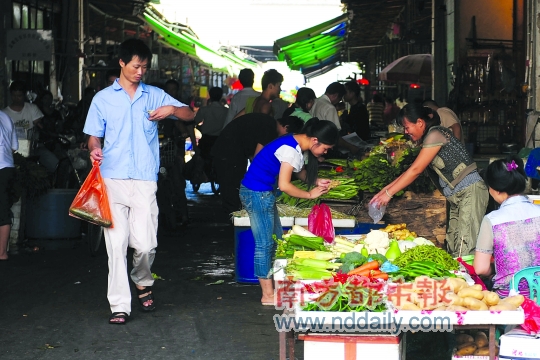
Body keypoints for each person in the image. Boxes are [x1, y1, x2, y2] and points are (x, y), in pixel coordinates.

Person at [83, 38, 194, 325]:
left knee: (145, 245)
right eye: (136, 66)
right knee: (116, 245)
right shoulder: (103, 99)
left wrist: (171, 110)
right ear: (122, 63)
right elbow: (94, 135)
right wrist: (94, 147)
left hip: (145, 179)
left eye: (144, 66)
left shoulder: (155, 95)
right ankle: (119, 305)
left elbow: (190, 114)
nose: (140, 71)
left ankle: (142, 279)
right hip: (112, 178)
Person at [239, 118, 339, 305]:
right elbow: (284, 185)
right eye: (326, 148)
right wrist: (310, 194)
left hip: (261, 193)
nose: (325, 152)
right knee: (265, 244)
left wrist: (316, 181)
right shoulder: (291, 150)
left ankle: (277, 288)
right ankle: (267, 295)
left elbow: (297, 172)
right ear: (315, 140)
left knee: (276, 239)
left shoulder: (294, 142)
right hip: (256, 193)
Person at [370, 103, 488, 257]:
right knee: (453, 247)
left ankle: (470, 281)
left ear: (420, 123)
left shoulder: (435, 134)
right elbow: (411, 169)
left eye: (407, 127)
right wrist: (382, 193)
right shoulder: (429, 138)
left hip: (469, 192)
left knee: (464, 248)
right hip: (457, 196)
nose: (406, 132)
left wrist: (388, 194)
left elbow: (415, 171)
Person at [473, 156, 540, 297]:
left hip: (509, 298)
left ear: (496, 190)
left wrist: (495, 268)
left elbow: (480, 268)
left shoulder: (492, 220)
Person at [211, 114, 302, 215]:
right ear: (286, 127)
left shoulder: (267, 122)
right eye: (287, 135)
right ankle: (233, 220)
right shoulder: (270, 128)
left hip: (229, 152)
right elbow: (257, 158)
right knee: (232, 190)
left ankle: (233, 217)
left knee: (232, 188)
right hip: (229, 153)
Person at [3, 81, 59, 173]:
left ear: (24, 95)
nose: (16, 99)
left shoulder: (32, 108)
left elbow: (41, 126)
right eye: (14, 96)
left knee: (53, 162)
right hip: (11, 151)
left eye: (19, 96)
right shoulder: (4, 113)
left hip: (33, 149)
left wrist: (42, 128)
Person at [310, 82, 358, 154]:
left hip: (313, 145)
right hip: (324, 147)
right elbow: (335, 135)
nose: (338, 102)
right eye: (340, 99)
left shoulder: (315, 102)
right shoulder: (330, 108)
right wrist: (351, 147)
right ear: (335, 96)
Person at [0, 110, 18, 261]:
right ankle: (2, 253)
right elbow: (13, 147)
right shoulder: (5, 117)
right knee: (3, 208)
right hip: (7, 167)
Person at [195, 86, 228, 163]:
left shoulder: (204, 110)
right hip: (220, 141)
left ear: (210, 95)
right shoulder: (226, 111)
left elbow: (195, 121)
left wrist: (200, 128)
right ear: (220, 96)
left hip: (206, 141)